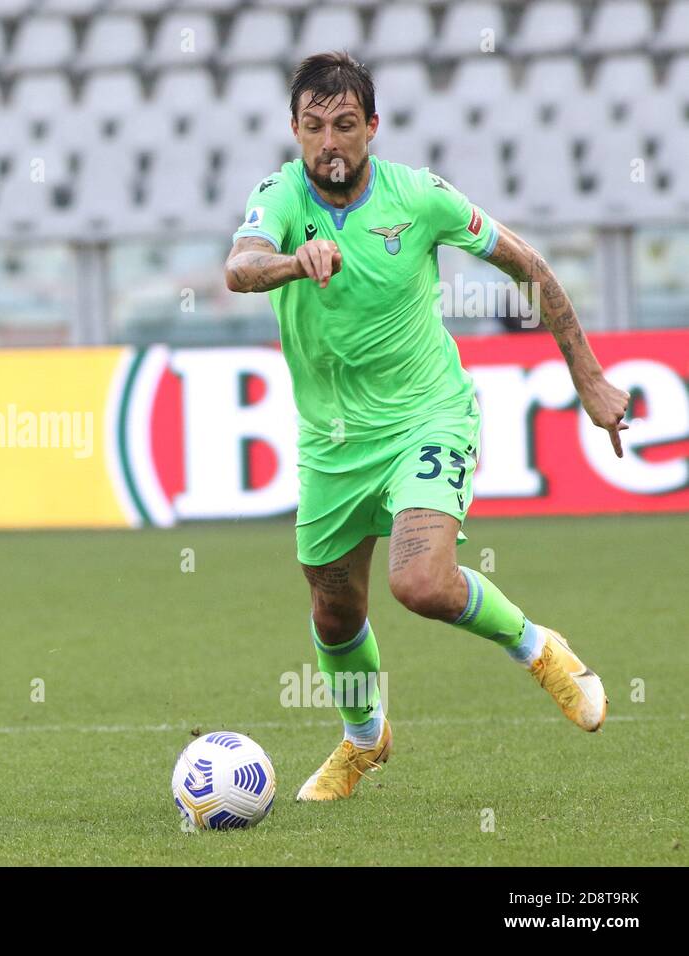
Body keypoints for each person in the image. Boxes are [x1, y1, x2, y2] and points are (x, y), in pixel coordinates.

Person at [224, 53, 630, 802]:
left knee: (419, 582)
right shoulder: (277, 195)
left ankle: (539, 648)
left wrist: (589, 376)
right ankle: (362, 740)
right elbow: (240, 267)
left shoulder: (419, 198)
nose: (329, 144)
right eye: (313, 128)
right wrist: (293, 261)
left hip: (428, 415)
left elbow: (528, 266)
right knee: (333, 606)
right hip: (333, 442)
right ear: (294, 131)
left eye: (345, 126)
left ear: (372, 128)